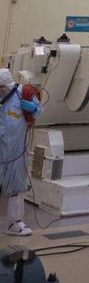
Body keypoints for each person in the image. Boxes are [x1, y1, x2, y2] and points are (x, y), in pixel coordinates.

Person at [0, 67, 41, 236]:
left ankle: (15, 223)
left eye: (1, 87)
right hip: (1, 148)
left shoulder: (22, 94)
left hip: (17, 150)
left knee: (16, 187)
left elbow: (40, 112)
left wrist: (33, 108)